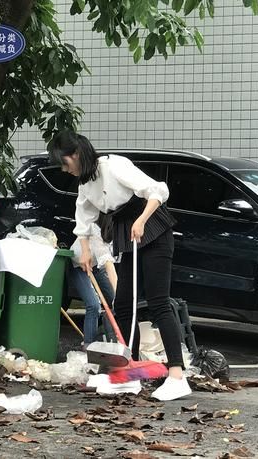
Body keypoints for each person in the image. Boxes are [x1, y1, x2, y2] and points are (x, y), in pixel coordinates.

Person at [48, 130, 191, 401]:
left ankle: (176, 375)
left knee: (159, 303)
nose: (64, 169)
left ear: (75, 154)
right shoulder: (85, 183)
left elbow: (158, 190)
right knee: (124, 305)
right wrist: (86, 252)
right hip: (126, 235)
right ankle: (129, 373)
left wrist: (142, 220)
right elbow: (84, 219)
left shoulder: (114, 165)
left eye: (64, 162)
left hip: (154, 230)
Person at [67, 223, 117, 347]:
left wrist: (117, 297)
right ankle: (89, 346)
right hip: (77, 264)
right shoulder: (97, 231)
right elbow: (109, 267)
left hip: (95, 265)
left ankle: (113, 337)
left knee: (115, 300)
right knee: (94, 305)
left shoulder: (119, 237)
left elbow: (112, 269)